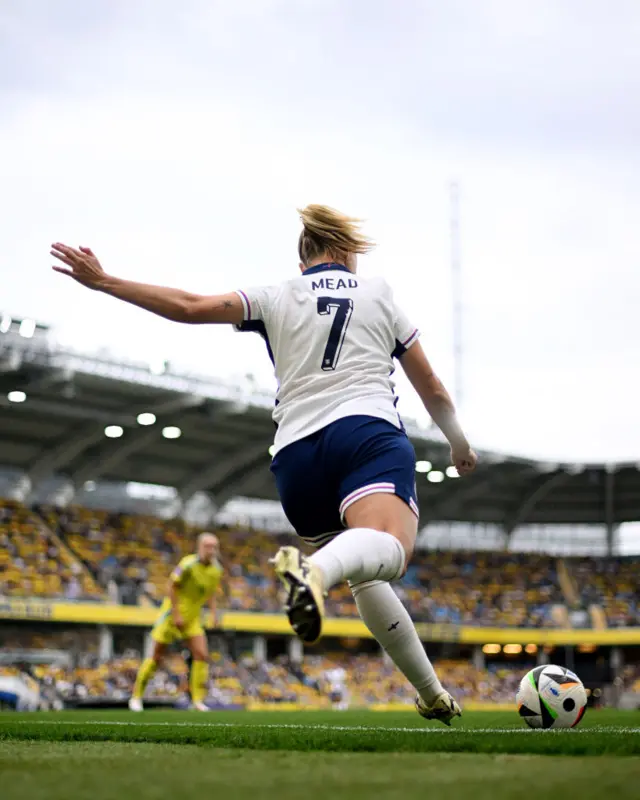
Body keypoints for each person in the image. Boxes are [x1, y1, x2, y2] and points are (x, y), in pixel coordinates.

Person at [51, 204, 477, 725]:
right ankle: (313, 573)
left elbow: (189, 306)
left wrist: (106, 282)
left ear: (304, 263)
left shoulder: (277, 295)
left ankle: (431, 694)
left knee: (364, 576)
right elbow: (429, 387)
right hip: (365, 434)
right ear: (344, 253)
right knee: (390, 552)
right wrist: (458, 444)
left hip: (296, 461)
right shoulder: (379, 294)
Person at [127, 532, 222, 712]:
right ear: (199, 547)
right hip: (172, 616)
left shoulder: (216, 569)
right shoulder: (187, 564)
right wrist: (177, 614)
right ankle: (136, 696)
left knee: (201, 655)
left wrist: (214, 614)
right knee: (155, 656)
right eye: (207, 546)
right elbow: (171, 586)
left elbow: (211, 593)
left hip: (193, 619)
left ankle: (197, 701)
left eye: (214, 547)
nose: (211, 550)